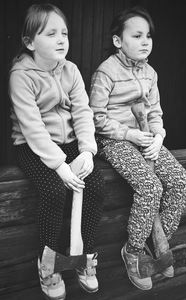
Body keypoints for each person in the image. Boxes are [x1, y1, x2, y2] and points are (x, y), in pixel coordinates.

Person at [89, 6, 186, 291]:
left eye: (148, 36)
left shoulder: (151, 73)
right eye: (137, 35)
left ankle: (157, 244)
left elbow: (155, 111)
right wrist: (128, 133)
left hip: (146, 136)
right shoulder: (106, 72)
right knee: (151, 186)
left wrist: (158, 136)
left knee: (180, 180)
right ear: (118, 40)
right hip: (114, 139)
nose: (145, 41)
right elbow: (95, 117)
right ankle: (133, 251)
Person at [9, 3, 104, 300]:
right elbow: (33, 129)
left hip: (71, 142)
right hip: (32, 146)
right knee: (53, 191)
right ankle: (48, 265)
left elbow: (84, 113)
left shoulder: (71, 70)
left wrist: (87, 151)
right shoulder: (21, 76)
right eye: (51, 34)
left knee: (96, 186)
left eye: (64, 32)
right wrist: (61, 166)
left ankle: (85, 256)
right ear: (29, 42)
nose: (62, 39)